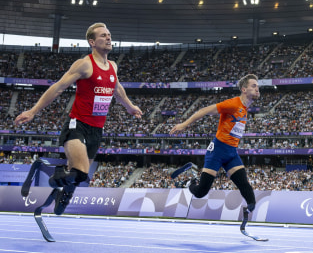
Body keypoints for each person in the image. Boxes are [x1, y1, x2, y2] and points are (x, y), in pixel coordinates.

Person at [14, 23, 143, 214]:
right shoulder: (84, 64)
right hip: (77, 125)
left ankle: (62, 194)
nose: (108, 38)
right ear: (92, 42)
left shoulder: (113, 66)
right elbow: (58, 87)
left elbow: (118, 90)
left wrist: (130, 107)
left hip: (96, 130)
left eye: (109, 34)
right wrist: (33, 111)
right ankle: (51, 174)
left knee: (81, 176)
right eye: (103, 36)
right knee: (80, 171)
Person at [169, 74, 260, 213]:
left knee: (245, 186)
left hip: (231, 153)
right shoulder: (233, 104)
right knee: (200, 192)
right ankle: (189, 182)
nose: (257, 88)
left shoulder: (245, 109)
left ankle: (249, 210)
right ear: (244, 89)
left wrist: (250, 207)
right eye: (253, 86)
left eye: (257, 86)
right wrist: (184, 124)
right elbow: (204, 111)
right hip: (217, 151)